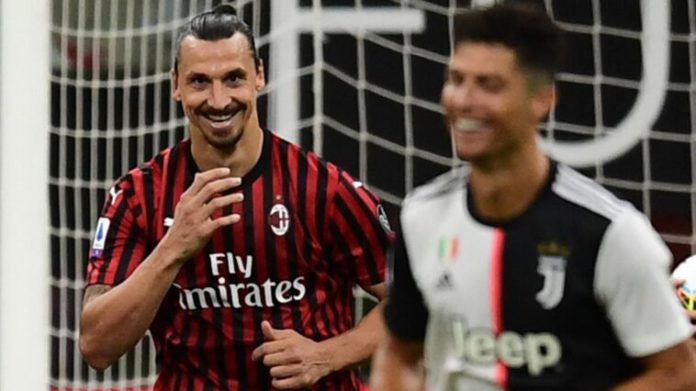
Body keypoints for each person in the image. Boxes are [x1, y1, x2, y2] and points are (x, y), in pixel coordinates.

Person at [370, 2, 696, 390]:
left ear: (542, 99)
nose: (463, 101)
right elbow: (400, 354)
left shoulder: (610, 231)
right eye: (456, 80)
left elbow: (678, 372)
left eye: (489, 85)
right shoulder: (421, 216)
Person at [79, 5, 392, 390]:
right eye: (199, 82)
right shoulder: (138, 196)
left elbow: (413, 304)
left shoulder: (323, 190)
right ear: (175, 84)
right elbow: (96, 345)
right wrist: (173, 247)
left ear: (259, 75)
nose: (218, 99)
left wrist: (325, 355)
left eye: (233, 78)